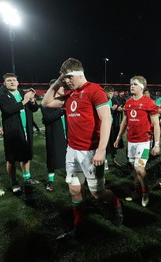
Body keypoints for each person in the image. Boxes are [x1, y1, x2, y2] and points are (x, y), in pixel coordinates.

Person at [42, 57, 123, 239]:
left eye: (69, 77)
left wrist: (101, 150)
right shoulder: (70, 94)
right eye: (64, 78)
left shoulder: (95, 90)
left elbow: (106, 119)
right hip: (72, 151)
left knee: (97, 193)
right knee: (75, 190)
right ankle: (78, 226)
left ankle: (116, 204)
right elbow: (46, 103)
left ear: (79, 73)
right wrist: (57, 82)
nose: (67, 81)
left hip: (92, 151)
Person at [114, 76, 160, 207]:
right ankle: (137, 191)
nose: (131, 86)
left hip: (144, 141)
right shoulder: (128, 103)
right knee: (135, 169)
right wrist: (118, 137)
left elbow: (156, 124)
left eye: (134, 84)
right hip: (131, 141)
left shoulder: (149, 102)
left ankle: (145, 192)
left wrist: (156, 144)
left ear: (141, 87)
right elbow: (125, 121)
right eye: (131, 84)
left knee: (139, 168)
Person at [0, 73, 39, 195]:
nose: (12, 82)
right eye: (9, 80)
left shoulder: (21, 92)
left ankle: (27, 177)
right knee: (12, 158)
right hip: (13, 131)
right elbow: (8, 110)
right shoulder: (1, 95)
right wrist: (25, 100)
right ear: (4, 83)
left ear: (18, 82)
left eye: (14, 80)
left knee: (26, 155)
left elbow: (34, 109)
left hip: (26, 129)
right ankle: (14, 182)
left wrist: (32, 101)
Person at [40, 79, 67, 192]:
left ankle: (72, 176)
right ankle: (50, 181)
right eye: (61, 87)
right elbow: (46, 119)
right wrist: (61, 111)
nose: (63, 89)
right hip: (54, 134)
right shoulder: (46, 102)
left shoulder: (66, 100)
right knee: (52, 158)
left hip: (69, 133)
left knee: (71, 157)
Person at [104, 86, 122, 168]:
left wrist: (118, 108)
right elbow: (103, 113)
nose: (112, 95)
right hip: (104, 126)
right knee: (106, 144)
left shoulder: (113, 99)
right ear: (106, 93)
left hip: (112, 125)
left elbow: (118, 105)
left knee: (113, 143)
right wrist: (112, 110)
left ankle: (113, 159)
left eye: (112, 93)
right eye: (110, 93)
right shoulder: (102, 101)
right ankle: (105, 161)